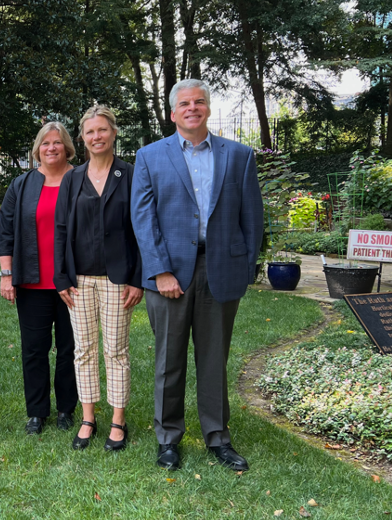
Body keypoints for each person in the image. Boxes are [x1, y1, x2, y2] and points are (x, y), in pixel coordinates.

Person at [131, 79, 264, 471]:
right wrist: (160, 272)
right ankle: (168, 438)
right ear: (173, 113)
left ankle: (217, 437)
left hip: (220, 270)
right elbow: (143, 218)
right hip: (169, 275)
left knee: (213, 358)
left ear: (208, 108)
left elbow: (252, 218)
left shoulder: (239, 155)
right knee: (168, 359)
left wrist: (243, 268)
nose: (192, 108)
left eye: (199, 102)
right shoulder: (150, 156)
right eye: (184, 104)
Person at [53, 106, 143, 451]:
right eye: (90, 132)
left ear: (114, 132)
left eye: (102, 130)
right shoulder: (73, 179)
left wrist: (138, 278)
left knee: (116, 351)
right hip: (79, 280)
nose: (96, 137)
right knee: (84, 350)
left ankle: (118, 420)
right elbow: (61, 229)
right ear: (83, 137)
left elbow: (140, 229)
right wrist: (61, 277)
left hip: (118, 279)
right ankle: (88, 417)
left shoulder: (131, 175)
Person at [0, 122, 79, 435]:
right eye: (45, 143)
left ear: (67, 146)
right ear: (38, 149)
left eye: (57, 142)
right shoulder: (22, 184)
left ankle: (66, 410)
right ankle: (37, 412)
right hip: (32, 282)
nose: (51, 148)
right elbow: (7, 233)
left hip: (72, 282)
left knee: (71, 350)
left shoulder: (81, 179)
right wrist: (7, 275)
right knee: (34, 349)